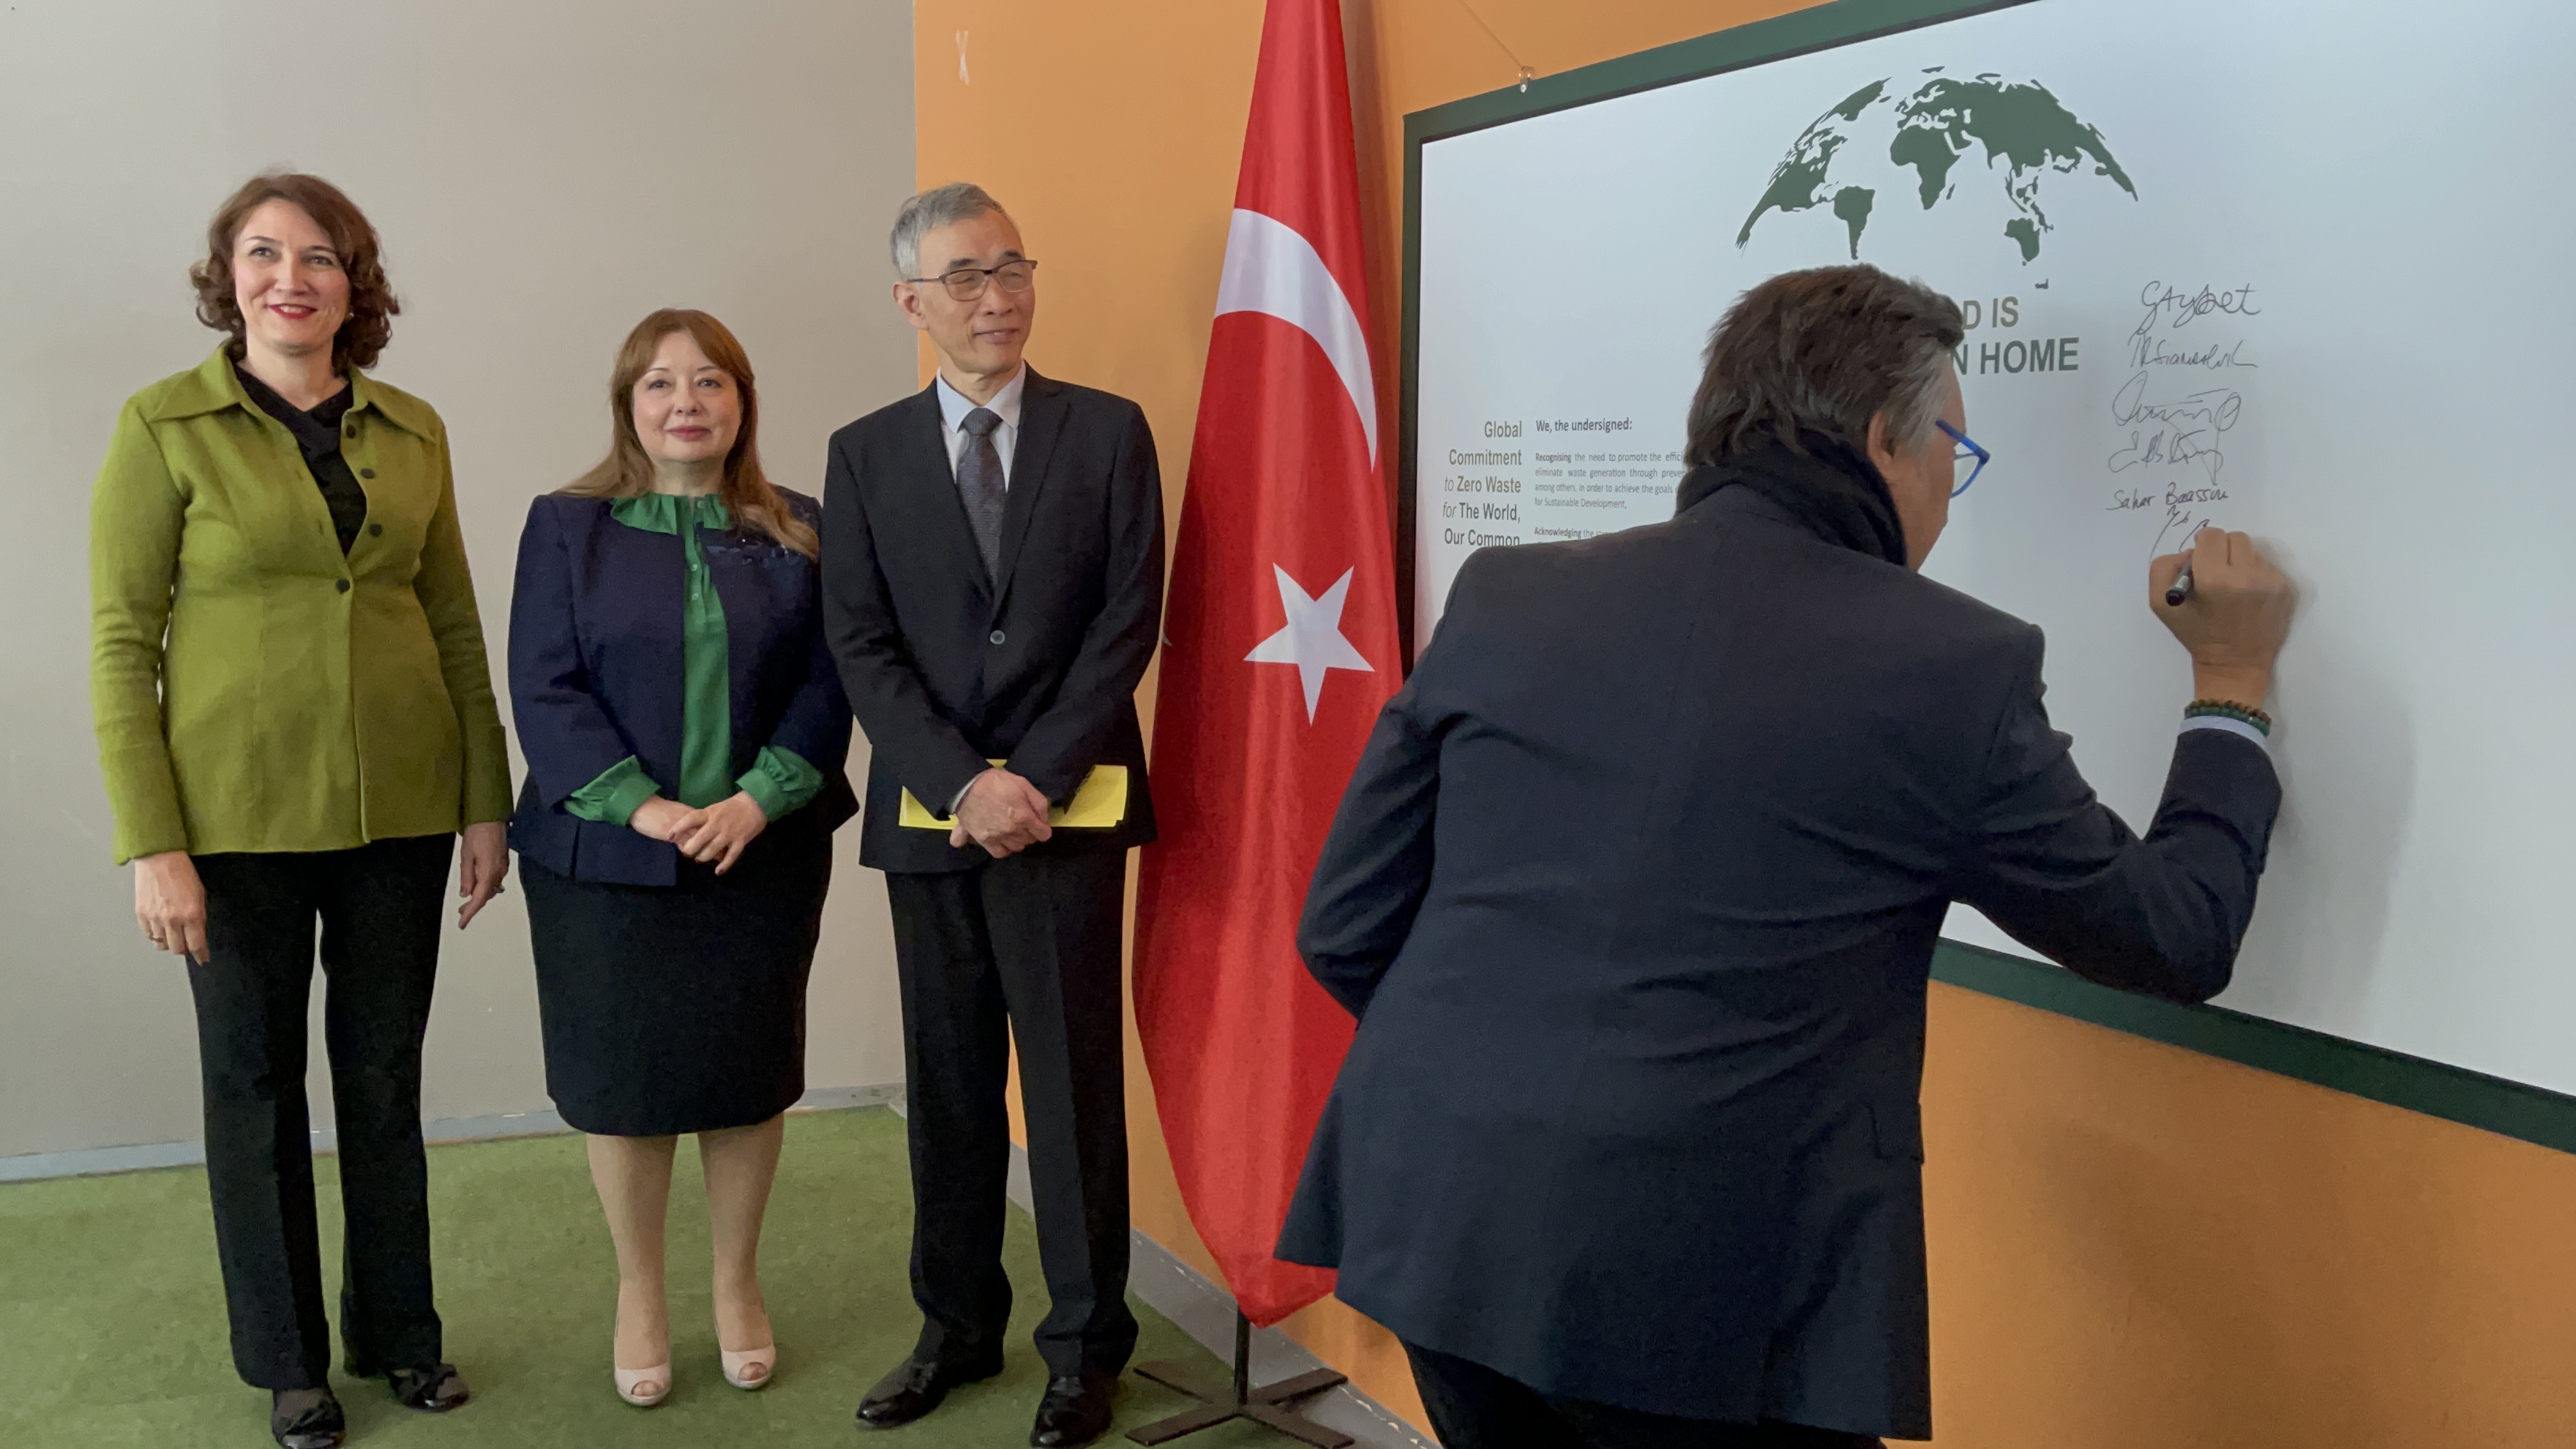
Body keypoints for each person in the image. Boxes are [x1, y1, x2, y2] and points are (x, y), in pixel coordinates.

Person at [1278, 264, 2298, 1449]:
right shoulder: (1948, 666)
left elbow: (1341, 927)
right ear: (1883, 442)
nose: (1947, 501)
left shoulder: (1508, 595)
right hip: (1711, 1292)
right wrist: (2231, 693)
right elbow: (2171, 934)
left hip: (1435, 1217)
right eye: (1951, 458)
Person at [89, 173, 509, 1449]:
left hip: (401, 808)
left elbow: (450, 621)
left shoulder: (414, 426)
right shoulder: (164, 425)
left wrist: (485, 800)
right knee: (254, 1087)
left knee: (383, 1079)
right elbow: (119, 644)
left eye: (320, 256)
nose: (292, 277)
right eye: (264, 254)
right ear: (229, 278)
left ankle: (401, 1336)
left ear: (354, 284)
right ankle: (290, 1363)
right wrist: (153, 844)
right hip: (232, 823)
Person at [823, 182, 1164, 1449]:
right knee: (951, 1085)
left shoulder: (1110, 432)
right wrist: (965, 781)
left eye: (1014, 267)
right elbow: (861, 645)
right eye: (966, 276)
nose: (998, 295)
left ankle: (1084, 1350)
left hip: (1071, 816)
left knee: (1073, 1093)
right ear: (911, 301)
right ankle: (955, 1330)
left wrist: (1037, 776)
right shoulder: (863, 453)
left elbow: (1128, 622)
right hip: (936, 816)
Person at [506, 309, 856, 1409]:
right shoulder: (567, 527)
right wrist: (643, 810)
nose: (686, 402)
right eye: (660, 385)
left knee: (746, 1076)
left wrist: (760, 799)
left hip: (760, 852)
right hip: (603, 861)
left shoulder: (802, 528)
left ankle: (737, 1285)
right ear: (628, 406)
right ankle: (640, 1292)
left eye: (709, 381)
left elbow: (833, 680)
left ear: (742, 401)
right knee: (626, 1086)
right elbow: (544, 686)